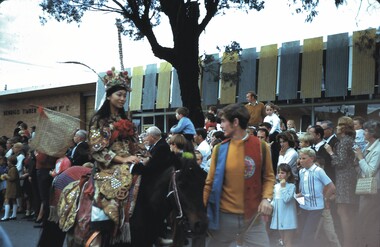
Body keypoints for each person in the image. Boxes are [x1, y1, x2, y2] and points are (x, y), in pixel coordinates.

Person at [203, 103, 275, 247]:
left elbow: (268, 177)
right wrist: (202, 209)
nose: (221, 125)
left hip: (253, 219)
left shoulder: (262, 147)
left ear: (235, 122)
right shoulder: (219, 149)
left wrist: (266, 198)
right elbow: (209, 183)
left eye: (223, 121)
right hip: (223, 219)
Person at [86, 67, 141, 246]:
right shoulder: (98, 120)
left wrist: (142, 156)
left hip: (130, 161)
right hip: (108, 166)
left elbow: (136, 144)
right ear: (109, 96)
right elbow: (97, 149)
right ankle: (99, 231)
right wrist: (122, 159)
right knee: (113, 188)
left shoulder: (127, 119)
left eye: (125, 96)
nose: (122, 99)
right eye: (119, 95)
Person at [325, 116, 358, 247]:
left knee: (343, 211)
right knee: (346, 211)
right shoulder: (348, 140)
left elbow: (340, 162)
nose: (336, 128)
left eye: (338, 125)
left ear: (343, 127)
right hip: (347, 177)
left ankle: (347, 243)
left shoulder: (344, 142)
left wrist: (330, 152)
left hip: (345, 178)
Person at [297, 147, 336, 247]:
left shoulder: (318, 171)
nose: (301, 161)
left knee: (307, 234)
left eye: (303, 158)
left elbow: (331, 187)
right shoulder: (301, 172)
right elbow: (302, 191)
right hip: (304, 207)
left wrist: (325, 199)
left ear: (312, 158)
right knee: (304, 233)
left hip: (316, 208)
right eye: (300, 158)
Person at [353, 119, 380, 247]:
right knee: (365, 221)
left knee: (368, 221)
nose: (363, 133)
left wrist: (360, 157)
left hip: (373, 191)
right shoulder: (369, 145)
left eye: (366, 131)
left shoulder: (378, 149)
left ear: (373, 133)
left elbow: (370, 172)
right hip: (367, 189)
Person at [270, 163, 297, 247]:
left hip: (288, 216)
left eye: (282, 173)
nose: (280, 175)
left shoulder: (291, 186)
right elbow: (274, 200)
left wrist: (283, 187)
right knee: (283, 241)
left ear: (288, 174)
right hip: (279, 216)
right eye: (279, 172)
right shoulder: (276, 186)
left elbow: (286, 199)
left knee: (287, 241)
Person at [0, 155, 21, 221]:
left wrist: (6, 176)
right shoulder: (14, 168)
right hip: (14, 187)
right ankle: (14, 215)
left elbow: (12, 178)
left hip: (11, 187)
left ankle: (6, 216)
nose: (7, 163)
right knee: (13, 200)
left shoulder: (12, 169)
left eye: (8, 161)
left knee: (7, 199)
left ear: (11, 162)